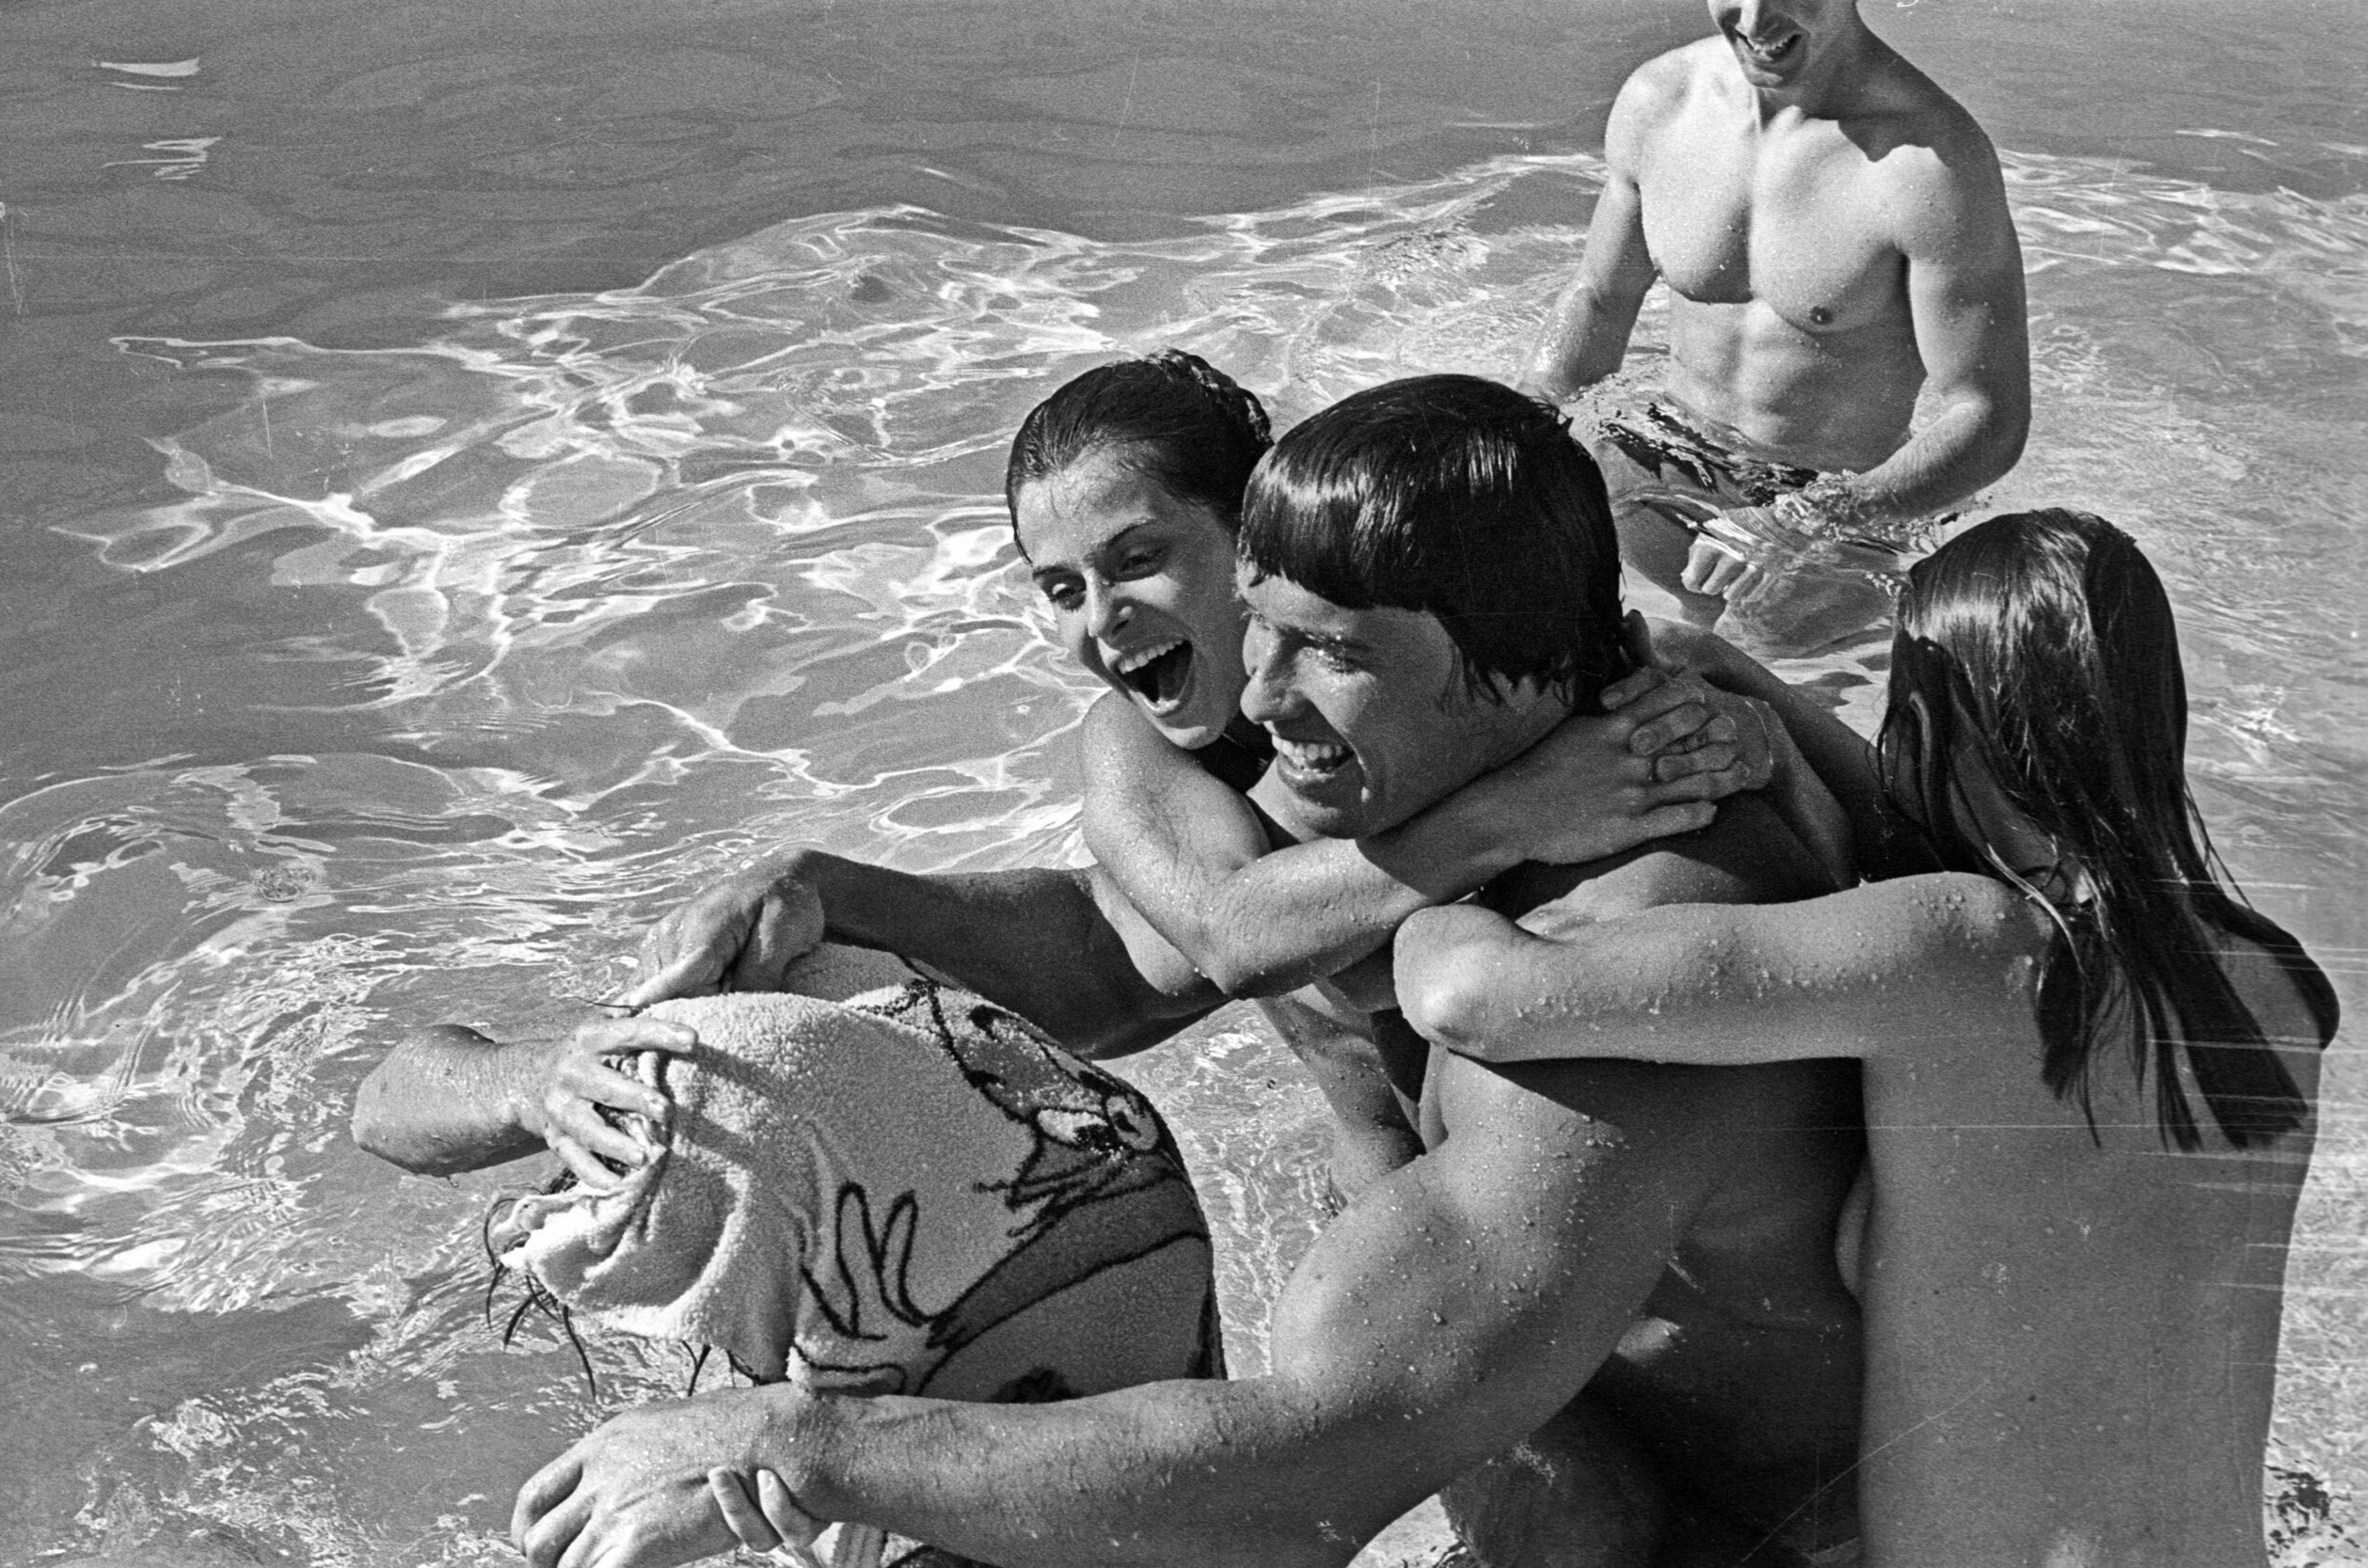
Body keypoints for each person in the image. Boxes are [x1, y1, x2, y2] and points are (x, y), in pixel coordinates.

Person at [505, 375, 1867, 1568]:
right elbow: (1155, 948)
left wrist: (802, 1444)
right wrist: (831, 893)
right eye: (1057, 588)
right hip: (1495, 1286)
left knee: (1558, 1517)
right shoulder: (1262, 759)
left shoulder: (1631, 924)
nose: (1268, 696)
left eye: (1327, 643)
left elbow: (1312, 1473)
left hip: (1748, 1471)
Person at [346, 353, 1786, 1197]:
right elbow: (1209, 936)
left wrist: (1767, 709)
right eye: (1055, 587)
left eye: (1140, 558)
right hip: (1427, 1242)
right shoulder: (1161, 771)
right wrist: (553, 1070)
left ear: (1265, 524)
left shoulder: (1489, 668)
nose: (1097, 623)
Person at [1393, 509, 2340, 1568]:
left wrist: (1452, 871)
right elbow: (1954, 837)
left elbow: (1472, 995)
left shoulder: (1961, 952)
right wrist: (1727, 673)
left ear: (1926, 728)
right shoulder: (2281, 988)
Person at [1525, 0, 2030, 656]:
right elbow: (1598, 299)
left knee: (1748, 702)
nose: (1758, 18)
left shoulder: (1931, 162)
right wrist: (1517, 439)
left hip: (1832, 517)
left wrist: (1805, 520)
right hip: (1660, 462)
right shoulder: (1661, 100)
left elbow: (1989, 417)